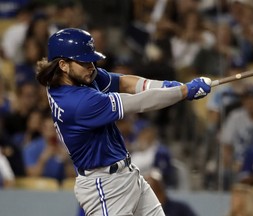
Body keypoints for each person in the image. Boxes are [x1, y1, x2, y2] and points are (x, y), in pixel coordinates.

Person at [35, 28, 211, 216]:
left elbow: (124, 83)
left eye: (91, 60)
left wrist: (165, 85)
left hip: (126, 173)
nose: (91, 66)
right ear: (63, 65)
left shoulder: (74, 78)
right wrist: (184, 92)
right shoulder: (77, 103)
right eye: (84, 61)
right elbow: (139, 102)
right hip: (104, 186)